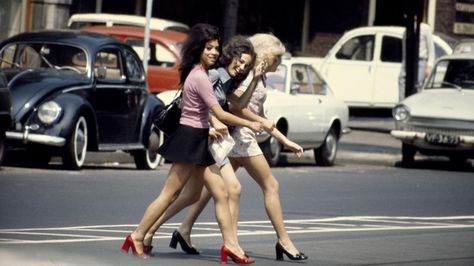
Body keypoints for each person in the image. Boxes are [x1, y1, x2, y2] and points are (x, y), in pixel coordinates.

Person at [143, 33, 308, 262]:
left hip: (220, 136)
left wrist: (282, 138)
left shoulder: (243, 76)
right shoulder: (216, 75)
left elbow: (235, 104)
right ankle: (236, 244)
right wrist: (219, 123)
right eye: (277, 59)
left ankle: (165, 231)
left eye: (245, 64)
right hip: (220, 136)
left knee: (195, 194)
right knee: (228, 189)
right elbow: (224, 108)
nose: (241, 66)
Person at [120, 23, 261, 264]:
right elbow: (220, 112)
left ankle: (230, 246)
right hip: (189, 139)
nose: (214, 53)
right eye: (209, 48)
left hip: (199, 139)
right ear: (198, 49)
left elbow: (211, 113)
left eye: (216, 48)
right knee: (170, 194)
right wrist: (251, 124)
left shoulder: (202, 75)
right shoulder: (200, 77)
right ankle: (137, 235)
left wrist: (217, 125)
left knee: (220, 192)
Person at [398, 22, 435, 101]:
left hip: (420, 60)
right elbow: (405, 48)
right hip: (408, 59)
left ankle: (416, 104)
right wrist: (404, 61)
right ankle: (402, 103)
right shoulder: (407, 30)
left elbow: (431, 48)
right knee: (401, 79)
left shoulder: (425, 28)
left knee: (417, 84)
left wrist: (429, 65)